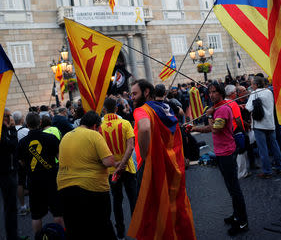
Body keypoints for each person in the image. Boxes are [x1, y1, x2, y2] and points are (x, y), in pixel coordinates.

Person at [128, 79, 196, 239]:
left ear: (146, 93)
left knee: (151, 207)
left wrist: (145, 155)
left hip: (152, 165)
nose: (132, 97)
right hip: (172, 164)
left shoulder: (141, 110)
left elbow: (144, 128)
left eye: (135, 93)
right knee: (175, 203)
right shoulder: (166, 107)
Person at [191, 81, 248, 236]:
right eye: (209, 92)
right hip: (222, 152)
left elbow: (215, 129)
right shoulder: (219, 107)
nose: (211, 95)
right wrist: (196, 127)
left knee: (234, 188)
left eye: (214, 92)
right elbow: (213, 127)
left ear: (221, 93)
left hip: (227, 153)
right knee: (231, 187)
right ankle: (236, 215)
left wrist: (209, 115)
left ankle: (242, 221)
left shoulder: (222, 109)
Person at [57, 111, 118, 240]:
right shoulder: (94, 135)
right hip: (92, 190)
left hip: (65, 189)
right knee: (102, 227)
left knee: (75, 230)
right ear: (95, 126)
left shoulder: (66, 136)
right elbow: (108, 161)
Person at [17, 112, 64, 236]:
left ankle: (38, 238)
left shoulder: (22, 142)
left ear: (27, 124)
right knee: (58, 213)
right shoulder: (51, 139)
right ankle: (60, 236)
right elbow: (60, 158)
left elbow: (21, 162)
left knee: (36, 216)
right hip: (52, 180)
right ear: (40, 123)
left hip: (34, 182)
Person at [100, 98, 137, 239]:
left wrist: (115, 165)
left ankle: (120, 232)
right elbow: (131, 146)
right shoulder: (125, 123)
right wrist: (122, 164)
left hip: (111, 170)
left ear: (104, 110)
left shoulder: (100, 128)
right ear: (116, 109)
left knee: (116, 200)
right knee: (133, 198)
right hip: (127, 167)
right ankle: (137, 230)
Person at [246, 76, 281, 178]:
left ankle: (267, 171)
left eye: (252, 84)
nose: (251, 85)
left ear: (256, 84)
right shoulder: (268, 92)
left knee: (263, 149)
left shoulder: (254, 94)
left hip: (259, 125)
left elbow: (248, 108)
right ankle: (280, 166)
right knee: (274, 146)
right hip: (270, 123)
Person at [0, 108, 20, 240]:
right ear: (3, 118)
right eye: (9, 116)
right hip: (5, 174)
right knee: (10, 208)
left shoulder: (3, 131)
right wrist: (13, 129)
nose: (11, 118)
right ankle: (12, 236)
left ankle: (13, 235)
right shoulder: (0, 132)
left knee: (11, 207)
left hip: (9, 171)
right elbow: (12, 146)